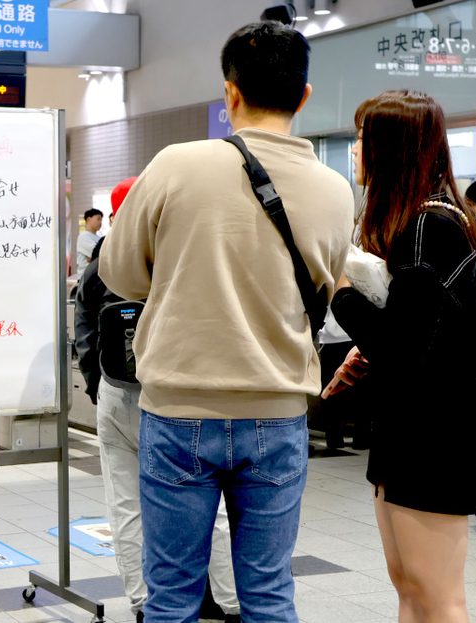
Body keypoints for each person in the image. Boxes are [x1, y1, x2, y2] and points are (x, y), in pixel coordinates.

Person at [99, 21, 354, 623]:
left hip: (179, 408)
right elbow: (324, 287)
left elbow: (120, 274)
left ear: (229, 93)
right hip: (280, 410)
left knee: (172, 597)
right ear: (305, 94)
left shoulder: (174, 165)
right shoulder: (336, 189)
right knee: (268, 592)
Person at [326, 90, 476, 622]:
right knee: (409, 585)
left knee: (437, 594)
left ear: (392, 148)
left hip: (433, 433)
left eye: (361, 138)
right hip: (410, 427)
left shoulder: (429, 226)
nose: (354, 151)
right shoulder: (420, 223)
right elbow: (415, 333)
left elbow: (401, 348)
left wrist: (340, 289)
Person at [76, 177, 240, 623]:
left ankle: (145, 605)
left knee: (126, 507)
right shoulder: (179, 255)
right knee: (211, 505)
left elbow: (84, 331)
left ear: (114, 215)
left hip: (116, 396)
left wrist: (97, 387)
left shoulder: (101, 264)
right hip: (173, 397)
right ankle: (230, 602)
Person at [76, 208, 103, 278]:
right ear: (88, 220)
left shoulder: (98, 238)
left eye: (101, 220)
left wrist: (93, 259)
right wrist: (96, 257)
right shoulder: (84, 236)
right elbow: (98, 254)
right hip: (86, 278)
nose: (100, 222)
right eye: (98, 219)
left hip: (96, 276)